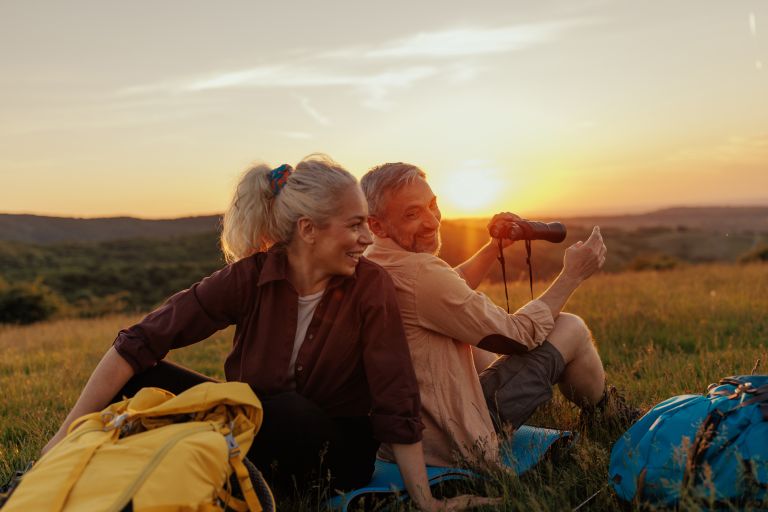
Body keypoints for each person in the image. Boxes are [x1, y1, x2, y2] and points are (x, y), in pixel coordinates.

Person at [41, 155, 496, 511]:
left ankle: (204, 462)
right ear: (309, 230)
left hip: (333, 456)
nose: (366, 238)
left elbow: (395, 392)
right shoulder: (251, 276)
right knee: (143, 376)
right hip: (251, 429)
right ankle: (98, 467)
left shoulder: (369, 285)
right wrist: (61, 436)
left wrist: (424, 500)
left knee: (282, 408)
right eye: (355, 225)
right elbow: (139, 340)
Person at [360, 162, 638, 467]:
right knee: (570, 327)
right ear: (377, 226)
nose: (432, 221)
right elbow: (517, 336)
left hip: (406, 433)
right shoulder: (420, 273)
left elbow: (447, 288)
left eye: (432, 205)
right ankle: (609, 414)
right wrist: (572, 275)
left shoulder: (373, 261)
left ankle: (602, 410)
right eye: (412, 214)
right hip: (453, 437)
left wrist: (494, 247)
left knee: (476, 344)